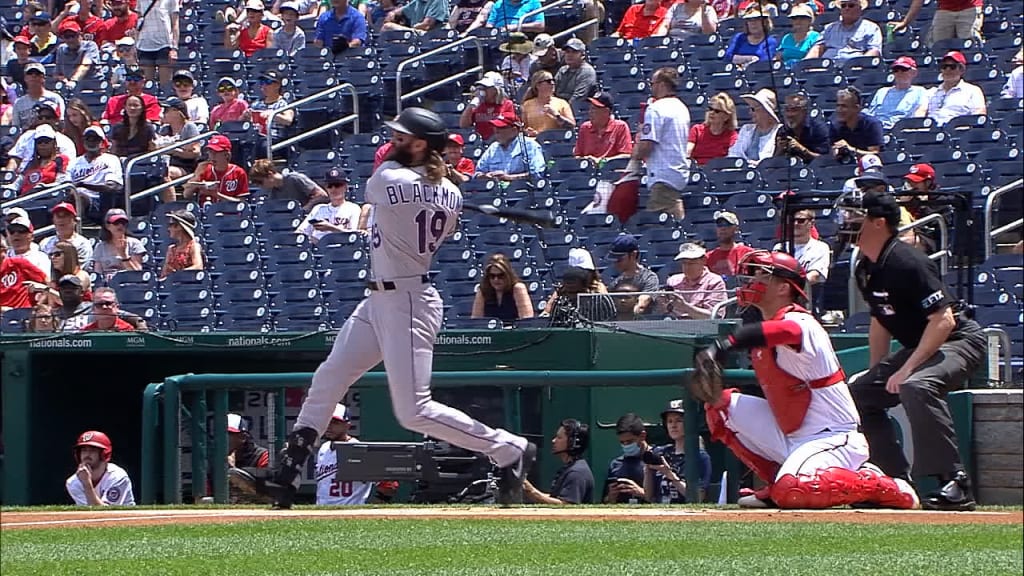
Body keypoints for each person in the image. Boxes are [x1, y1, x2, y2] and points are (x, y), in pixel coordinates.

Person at [230, 107, 537, 509]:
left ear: (421, 144)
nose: (391, 143)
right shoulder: (452, 192)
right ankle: (285, 478)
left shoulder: (390, 177)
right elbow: (423, 189)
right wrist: (436, 176)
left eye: (401, 138)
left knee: (414, 411)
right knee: (328, 378)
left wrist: (426, 173)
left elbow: (386, 176)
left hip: (407, 302)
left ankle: (509, 449)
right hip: (381, 299)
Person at [687, 249, 919, 510]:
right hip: (793, 433)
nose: (751, 282)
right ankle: (776, 484)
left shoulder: (800, 320)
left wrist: (726, 344)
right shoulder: (767, 323)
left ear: (784, 287)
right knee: (721, 406)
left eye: (761, 276)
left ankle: (885, 486)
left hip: (832, 436)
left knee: (794, 491)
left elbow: (785, 331)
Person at [835, 189, 986, 511]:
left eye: (855, 217)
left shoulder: (907, 261)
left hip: (959, 339)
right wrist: (876, 372)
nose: (847, 223)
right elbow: (880, 320)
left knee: (917, 384)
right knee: (858, 394)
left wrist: (905, 369)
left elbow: (943, 320)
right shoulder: (865, 266)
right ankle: (892, 482)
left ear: (878, 223)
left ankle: (955, 481)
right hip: (925, 343)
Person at [624, 66, 691, 221]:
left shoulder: (656, 108)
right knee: (673, 210)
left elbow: (647, 145)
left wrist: (634, 158)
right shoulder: (681, 107)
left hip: (663, 174)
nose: (651, 87)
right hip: (677, 171)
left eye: (652, 83)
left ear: (661, 84)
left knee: (659, 224)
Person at [306, 403, 400, 505]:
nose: (329, 426)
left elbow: (389, 484)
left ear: (348, 425)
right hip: (322, 511)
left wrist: (375, 505)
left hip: (348, 512)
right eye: (327, 421)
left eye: (335, 422)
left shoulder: (357, 450)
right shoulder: (324, 448)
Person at [644, 400, 712, 503]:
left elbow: (698, 497)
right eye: (670, 421)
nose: (673, 425)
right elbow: (648, 497)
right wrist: (648, 470)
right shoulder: (661, 452)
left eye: (679, 421)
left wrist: (670, 475)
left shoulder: (700, 456)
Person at [523, 419, 595, 504]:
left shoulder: (577, 473)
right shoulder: (572, 467)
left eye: (559, 437)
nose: (553, 441)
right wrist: (529, 490)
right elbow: (554, 498)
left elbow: (566, 505)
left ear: (572, 442)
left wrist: (531, 491)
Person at [65, 430, 136, 506]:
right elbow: (89, 512)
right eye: (84, 450)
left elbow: (105, 513)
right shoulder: (73, 483)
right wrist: (86, 483)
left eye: (92, 450)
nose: (87, 454)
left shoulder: (117, 477)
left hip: (126, 517)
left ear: (104, 454)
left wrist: (87, 485)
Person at [294, 168, 362, 243]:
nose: (333, 189)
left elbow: (354, 236)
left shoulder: (353, 208)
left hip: (342, 249)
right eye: (330, 186)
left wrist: (331, 228)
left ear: (346, 187)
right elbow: (301, 231)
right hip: (317, 249)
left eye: (337, 185)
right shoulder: (318, 208)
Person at [663, 242, 728, 319]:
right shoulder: (673, 281)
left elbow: (714, 316)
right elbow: (665, 311)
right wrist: (662, 305)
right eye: (684, 263)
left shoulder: (714, 282)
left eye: (691, 263)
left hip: (704, 327)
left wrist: (686, 307)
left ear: (703, 261)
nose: (687, 267)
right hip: (674, 325)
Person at [474, 114, 547, 182]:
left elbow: (538, 173)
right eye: (495, 128)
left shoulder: (529, 145)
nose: (496, 131)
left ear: (514, 130)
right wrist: (486, 176)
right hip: (494, 192)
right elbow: (477, 173)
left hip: (520, 192)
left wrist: (509, 178)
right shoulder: (493, 148)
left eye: (501, 127)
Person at [924, 51, 987, 127]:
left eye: (952, 67)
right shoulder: (931, 92)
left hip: (958, 131)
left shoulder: (973, 91)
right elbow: (921, 113)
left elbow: (979, 114)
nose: (948, 70)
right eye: (944, 67)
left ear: (962, 70)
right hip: (930, 131)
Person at [864, 56, 929, 130]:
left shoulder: (920, 91)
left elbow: (920, 114)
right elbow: (871, 114)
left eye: (904, 69)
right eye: (896, 70)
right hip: (877, 130)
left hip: (900, 131)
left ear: (914, 73)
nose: (899, 73)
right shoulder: (881, 92)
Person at [156, 97, 201, 202]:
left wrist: (173, 150)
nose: (164, 113)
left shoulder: (189, 127)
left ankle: (171, 206)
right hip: (165, 162)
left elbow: (195, 152)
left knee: (164, 172)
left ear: (177, 111)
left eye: (166, 110)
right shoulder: (165, 129)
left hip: (185, 167)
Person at [183, 134, 250, 204]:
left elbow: (242, 203)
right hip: (205, 212)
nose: (212, 156)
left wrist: (217, 195)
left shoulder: (238, 172)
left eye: (215, 153)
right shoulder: (204, 169)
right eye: (210, 152)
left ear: (227, 155)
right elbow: (186, 195)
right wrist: (197, 175)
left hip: (230, 214)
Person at [805, 0, 881, 62]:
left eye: (851, 5)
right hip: (827, 68)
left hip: (855, 69)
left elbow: (874, 51)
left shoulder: (871, 28)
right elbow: (817, 48)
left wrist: (860, 64)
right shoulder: (829, 28)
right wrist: (806, 64)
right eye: (843, 6)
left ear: (860, 8)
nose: (847, 8)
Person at [773, 208, 830, 288]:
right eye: (793, 220)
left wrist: (791, 287)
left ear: (812, 223)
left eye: (801, 221)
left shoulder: (820, 247)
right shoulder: (779, 247)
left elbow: (814, 276)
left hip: (809, 295)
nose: (795, 224)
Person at [11, 124, 71, 197]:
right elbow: (18, 183)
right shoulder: (31, 163)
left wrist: (44, 188)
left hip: (47, 197)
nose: (43, 145)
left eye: (46, 142)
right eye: (40, 142)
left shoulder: (60, 160)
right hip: (24, 198)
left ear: (54, 143)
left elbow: (61, 182)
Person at [605, 234, 659, 315]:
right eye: (614, 259)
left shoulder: (649, 278)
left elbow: (642, 305)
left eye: (619, 259)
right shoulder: (617, 282)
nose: (616, 263)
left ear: (633, 255)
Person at [471, 253, 534, 323]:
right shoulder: (483, 291)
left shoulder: (518, 288)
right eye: (492, 276)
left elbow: (526, 320)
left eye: (501, 276)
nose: (496, 279)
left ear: (508, 275)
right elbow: (476, 321)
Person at [602, 413, 651, 504]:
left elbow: (667, 499)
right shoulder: (616, 464)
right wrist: (611, 497)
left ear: (642, 436)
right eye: (622, 442)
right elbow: (605, 501)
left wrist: (642, 493)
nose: (626, 446)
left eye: (629, 441)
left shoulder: (657, 460)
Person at [572, 91, 633, 163]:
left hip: (611, 171)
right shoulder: (584, 128)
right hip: (588, 171)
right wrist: (586, 160)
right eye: (590, 108)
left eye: (594, 109)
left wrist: (602, 161)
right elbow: (577, 155)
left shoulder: (620, 127)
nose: (590, 112)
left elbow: (626, 155)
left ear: (606, 111)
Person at [728, 88, 781, 167]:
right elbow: (734, 154)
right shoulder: (746, 129)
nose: (750, 112)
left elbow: (774, 159)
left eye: (753, 109)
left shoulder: (779, 131)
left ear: (765, 111)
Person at [892, 0, 982, 46]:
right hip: (945, 9)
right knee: (938, 45)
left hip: (969, 8)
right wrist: (905, 22)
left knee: (970, 43)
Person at [250, 159, 328, 211]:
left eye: (260, 182)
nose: (259, 186)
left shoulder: (294, 178)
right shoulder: (272, 192)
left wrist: (304, 209)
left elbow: (322, 195)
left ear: (270, 175)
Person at [829, 86, 883, 161]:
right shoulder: (835, 126)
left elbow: (875, 154)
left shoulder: (872, 124)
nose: (839, 110)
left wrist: (851, 150)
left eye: (844, 106)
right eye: (838, 105)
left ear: (856, 108)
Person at [92, 208, 147, 280]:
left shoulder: (135, 244)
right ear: (107, 226)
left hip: (128, 284)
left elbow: (137, 274)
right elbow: (98, 274)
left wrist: (124, 256)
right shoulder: (100, 247)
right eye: (116, 223)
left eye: (123, 223)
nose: (120, 225)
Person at [459, 74, 516, 141]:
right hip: (480, 144)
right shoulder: (477, 105)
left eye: (486, 87)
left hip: (499, 142)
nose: (483, 90)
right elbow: (463, 124)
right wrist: (471, 105)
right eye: (481, 87)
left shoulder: (507, 104)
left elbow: (508, 127)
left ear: (496, 90)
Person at [687, 92, 738, 166]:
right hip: (696, 171)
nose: (711, 113)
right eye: (710, 109)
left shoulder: (732, 136)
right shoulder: (697, 130)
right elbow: (688, 151)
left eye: (717, 111)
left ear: (726, 117)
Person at [10, 62, 66, 130]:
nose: (33, 76)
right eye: (30, 73)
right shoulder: (19, 103)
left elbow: (61, 123)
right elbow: (16, 128)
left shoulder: (55, 99)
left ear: (44, 78)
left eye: (38, 73)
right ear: (25, 78)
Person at [776, 92, 829, 163]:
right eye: (787, 110)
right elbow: (774, 163)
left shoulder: (818, 129)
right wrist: (779, 150)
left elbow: (825, 160)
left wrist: (802, 149)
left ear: (804, 111)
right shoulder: (783, 131)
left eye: (794, 110)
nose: (789, 115)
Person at [0, 236, 47, 313]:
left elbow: (47, 283)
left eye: (3, 248)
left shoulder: (18, 263)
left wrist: (38, 306)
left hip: (25, 314)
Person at [520, 70, 575, 136]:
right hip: (534, 141)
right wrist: (527, 132)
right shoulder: (527, 105)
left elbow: (572, 125)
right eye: (548, 81)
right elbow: (522, 128)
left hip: (556, 142)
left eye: (553, 80)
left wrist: (557, 116)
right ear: (538, 85)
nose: (552, 83)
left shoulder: (562, 103)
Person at [40, 202, 93, 268]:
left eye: (65, 215)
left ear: (75, 220)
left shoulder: (83, 244)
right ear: (53, 220)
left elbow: (79, 269)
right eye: (58, 216)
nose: (61, 219)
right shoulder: (45, 243)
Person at [246, 70, 293, 142]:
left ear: (277, 85)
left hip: (274, 138)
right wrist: (245, 115)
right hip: (255, 136)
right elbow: (243, 119)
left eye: (268, 82)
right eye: (262, 83)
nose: (264, 86)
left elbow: (288, 120)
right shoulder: (256, 103)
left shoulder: (284, 103)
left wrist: (273, 114)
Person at [705, 211, 755, 277]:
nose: (723, 228)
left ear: (736, 229)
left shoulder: (748, 254)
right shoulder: (708, 257)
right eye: (720, 225)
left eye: (727, 225)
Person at [3, 213, 50, 280]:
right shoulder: (3, 256)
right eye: (12, 231)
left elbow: (45, 281)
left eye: (21, 231)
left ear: (32, 236)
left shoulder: (41, 258)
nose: (16, 234)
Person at [53, 20, 101, 85]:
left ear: (80, 35)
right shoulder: (61, 49)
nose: (71, 40)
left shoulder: (90, 45)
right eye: (67, 37)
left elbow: (85, 65)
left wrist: (74, 81)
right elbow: (57, 74)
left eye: (73, 36)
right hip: (70, 87)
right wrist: (63, 80)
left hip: (92, 85)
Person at [160, 210, 204, 279]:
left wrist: (178, 275)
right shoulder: (171, 249)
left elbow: (198, 266)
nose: (168, 228)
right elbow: (164, 273)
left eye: (171, 225)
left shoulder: (194, 246)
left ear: (180, 227)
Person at [109, 93, 157, 159]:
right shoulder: (117, 127)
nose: (132, 108)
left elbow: (152, 149)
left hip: (140, 162)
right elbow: (114, 148)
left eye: (136, 105)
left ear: (142, 108)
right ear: (125, 107)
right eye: (129, 105)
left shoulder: (148, 128)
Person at [552, 39, 598, 103]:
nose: (570, 55)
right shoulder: (562, 70)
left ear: (582, 55)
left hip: (579, 109)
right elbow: (552, 90)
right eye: (567, 51)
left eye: (574, 52)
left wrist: (561, 109)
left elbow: (578, 98)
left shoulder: (587, 72)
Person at [776, 3, 819, 67]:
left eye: (802, 18)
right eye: (795, 18)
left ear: (810, 20)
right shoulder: (787, 37)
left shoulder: (815, 36)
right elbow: (778, 58)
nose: (798, 21)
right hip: (785, 71)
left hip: (804, 70)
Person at [381, 0, 449, 33]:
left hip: (433, 36)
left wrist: (410, 29)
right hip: (417, 34)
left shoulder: (439, 1)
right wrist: (392, 14)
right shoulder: (417, 1)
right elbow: (399, 12)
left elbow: (426, 25)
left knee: (388, 27)